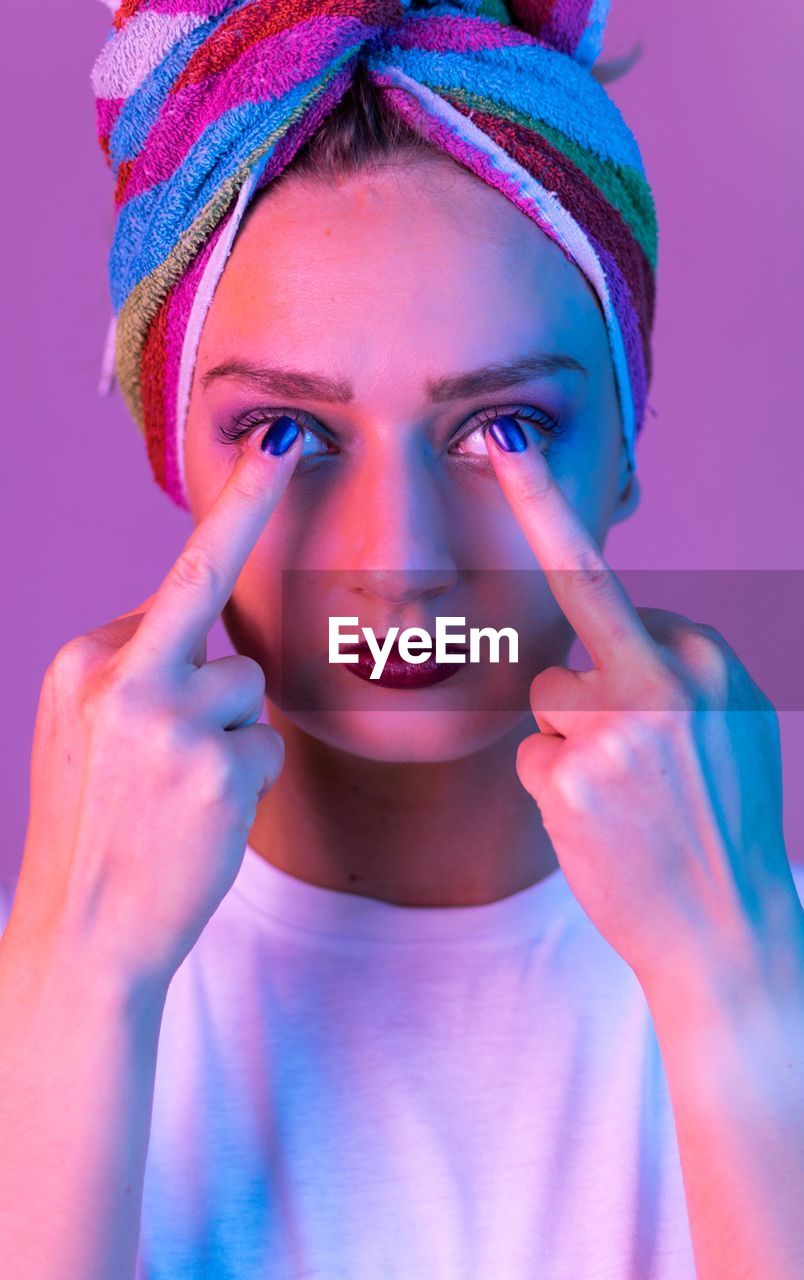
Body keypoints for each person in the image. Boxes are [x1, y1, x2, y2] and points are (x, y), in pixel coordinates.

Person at [1, 2, 802, 1278]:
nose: (406, 566)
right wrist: (72, 999)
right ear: (180, 466)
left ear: (626, 452)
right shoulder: (47, 990)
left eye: (508, 430)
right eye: (284, 434)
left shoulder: (772, 963)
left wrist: (746, 997)